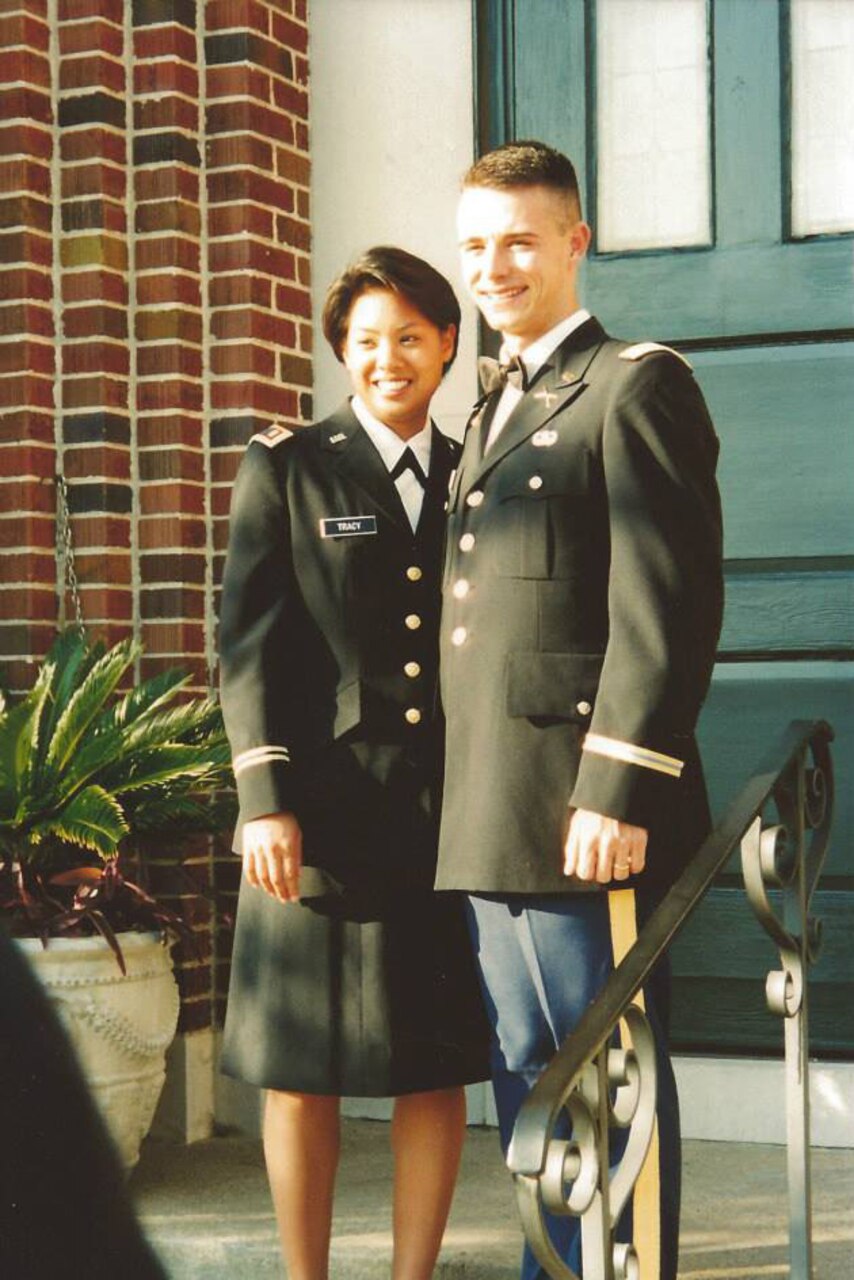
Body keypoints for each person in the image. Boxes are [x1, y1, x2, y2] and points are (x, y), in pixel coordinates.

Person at [436, 141, 724, 1280]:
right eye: (473, 245)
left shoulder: (633, 381)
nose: (492, 265)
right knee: (527, 1070)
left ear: (572, 241)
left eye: (516, 239)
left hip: (580, 810)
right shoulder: (489, 406)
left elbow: (667, 602)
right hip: (492, 808)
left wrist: (615, 783)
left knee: (604, 1073)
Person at [218, 245, 489, 1280]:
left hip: (443, 815)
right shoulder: (286, 465)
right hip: (317, 815)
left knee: (433, 1064)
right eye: (367, 340)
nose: (389, 358)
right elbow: (246, 645)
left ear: (446, 345)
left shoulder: (478, 469)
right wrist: (264, 797)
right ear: (341, 350)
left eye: (410, 337)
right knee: (303, 1069)